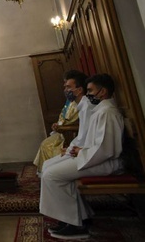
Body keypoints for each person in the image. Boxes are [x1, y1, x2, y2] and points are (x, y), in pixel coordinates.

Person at [40, 73, 124, 240]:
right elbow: (95, 141)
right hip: (96, 157)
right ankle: (79, 217)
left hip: (107, 162)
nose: (88, 94)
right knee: (49, 168)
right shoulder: (102, 110)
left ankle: (75, 225)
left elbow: (107, 149)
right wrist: (78, 150)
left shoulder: (107, 112)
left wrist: (81, 152)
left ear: (103, 92)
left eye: (90, 90)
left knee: (52, 174)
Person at [33, 70, 86, 172]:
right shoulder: (73, 102)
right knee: (46, 150)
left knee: (50, 165)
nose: (65, 89)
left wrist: (62, 128)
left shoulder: (85, 105)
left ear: (79, 89)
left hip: (72, 136)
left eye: (68, 87)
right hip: (68, 136)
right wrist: (58, 125)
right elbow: (63, 117)